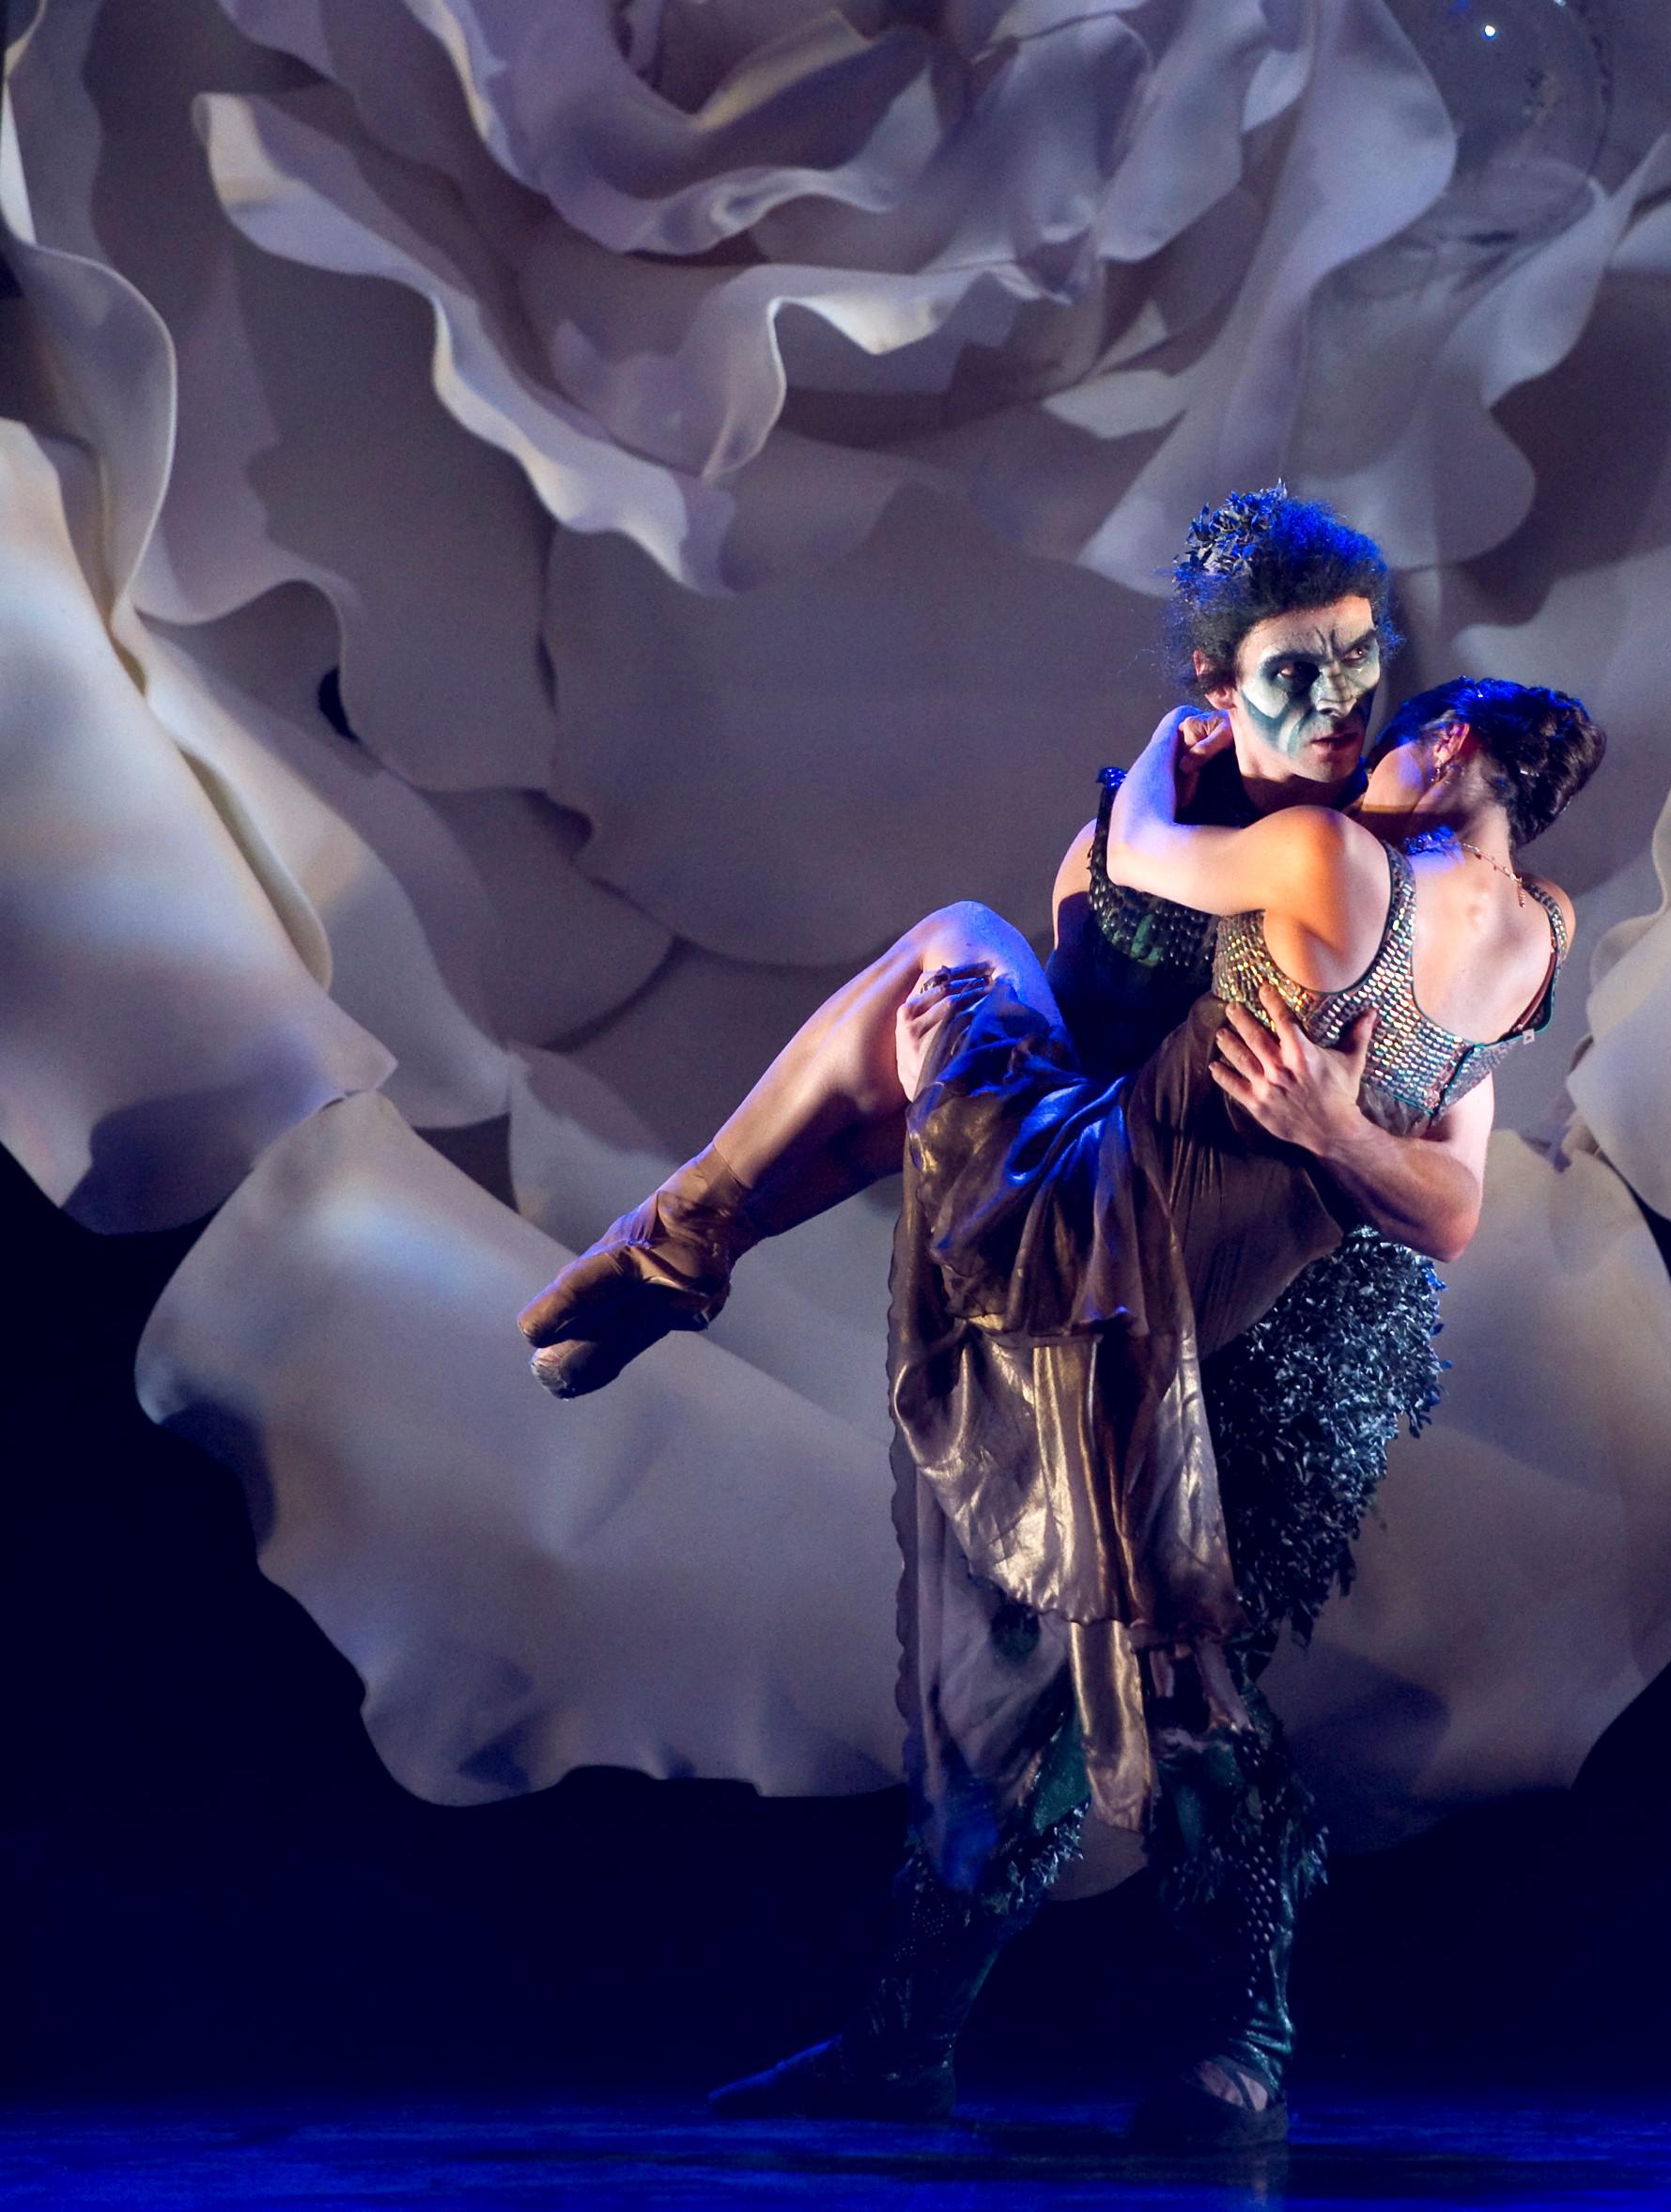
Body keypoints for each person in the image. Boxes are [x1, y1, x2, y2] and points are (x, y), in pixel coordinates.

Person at [517, 492, 1602, 2142]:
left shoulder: (1303, 850)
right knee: (992, 1703)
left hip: (1244, 1340)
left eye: (1362, 670)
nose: (1343, 708)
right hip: (1076, 1288)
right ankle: (901, 2044)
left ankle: (1236, 2040)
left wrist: (1319, 1122)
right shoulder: (1250, 867)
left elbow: (1443, 1205)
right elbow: (1040, 1030)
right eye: (1296, 673)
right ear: (1211, 677)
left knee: (1181, 1688)